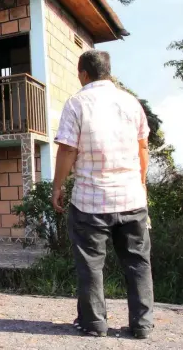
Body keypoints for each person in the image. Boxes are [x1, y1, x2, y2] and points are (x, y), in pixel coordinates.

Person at [52, 49, 153, 339]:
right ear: (108, 71)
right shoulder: (131, 103)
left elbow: (68, 149)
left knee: (90, 263)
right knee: (137, 262)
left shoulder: (77, 103)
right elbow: (142, 146)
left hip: (90, 201)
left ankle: (94, 323)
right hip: (132, 198)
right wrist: (141, 181)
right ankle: (142, 324)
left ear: (83, 74)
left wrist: (58, 186)